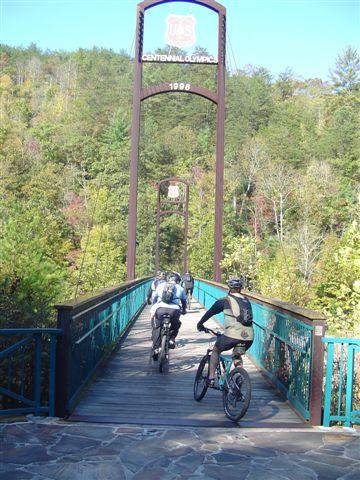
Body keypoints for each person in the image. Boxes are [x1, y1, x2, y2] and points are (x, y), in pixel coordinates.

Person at [196, 278, 253, 387]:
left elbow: (210, 312)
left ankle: (211, 378)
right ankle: (240, 375)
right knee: (237, 355)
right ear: (240, 289)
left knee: (216, 350)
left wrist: (200, 324)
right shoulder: (247, 301)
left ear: (229, 288)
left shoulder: (225, 300)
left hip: (232, 335)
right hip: (249, 337)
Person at [151, 273, 186, 359]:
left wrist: (155, 305)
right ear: (177, 280)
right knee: (176, 324)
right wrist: (184, 310)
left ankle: (156, 348)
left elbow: (154, 298)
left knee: (157, 327)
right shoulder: (180, 288)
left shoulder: (160, 285)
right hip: (174, 310)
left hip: (160, 309)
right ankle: (171, 339)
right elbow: (184, 302)